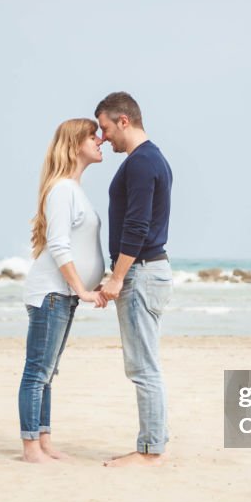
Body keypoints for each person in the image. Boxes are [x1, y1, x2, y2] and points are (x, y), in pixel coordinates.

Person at [18, 118, 107, 464]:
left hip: (63, 294)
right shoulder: (62, 190)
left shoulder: (74, 189)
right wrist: (81, 289)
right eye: (92, 135)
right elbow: (58, 246)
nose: (99, 140)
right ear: (74, 144)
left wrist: (91, 283)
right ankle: (30, 448)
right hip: (51, 293)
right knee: (37, 371)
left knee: (48, 372)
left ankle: (44, 441)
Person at [94, 92, 174, 467]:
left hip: (141, 272)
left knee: (143, 367)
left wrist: (116, 277)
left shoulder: (142, 163)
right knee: (145, 364)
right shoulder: (149, 158)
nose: (103, 137)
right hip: (148, 270)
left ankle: (150, 451)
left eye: (106, 128)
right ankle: (153, 444)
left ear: (124, 120)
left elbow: (137, 226)